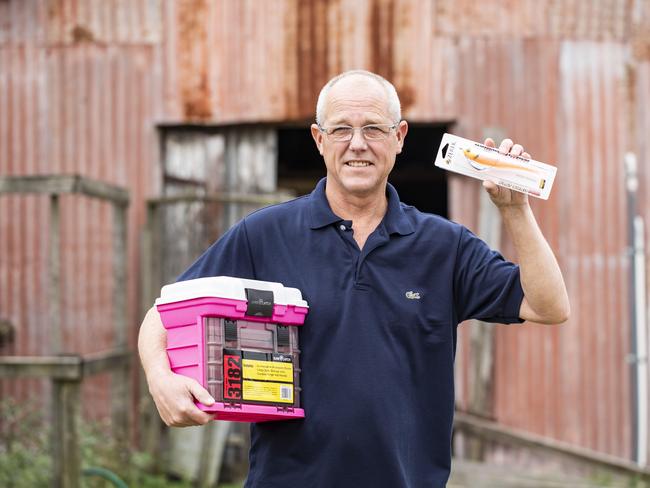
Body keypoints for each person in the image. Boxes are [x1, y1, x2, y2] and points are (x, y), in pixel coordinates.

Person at [139, 70, 570, 487]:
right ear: (319, 139)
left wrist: (516, 211)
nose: (357, 145)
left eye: (374, 129)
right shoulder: (265, 234)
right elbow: (160, 316)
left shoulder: (444, 246)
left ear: (399, 138)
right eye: (342, 129)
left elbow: (548, 306)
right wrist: (161, 381)